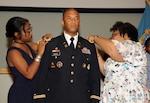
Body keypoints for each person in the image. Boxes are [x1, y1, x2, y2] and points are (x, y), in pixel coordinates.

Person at [33, 8, 100, 103]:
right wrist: (40, 97)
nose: (73, 21)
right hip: (56, 98)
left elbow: (94, 75)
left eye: (76, 18)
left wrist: (95, 97)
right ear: (62, 22)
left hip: (82, 98)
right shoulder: (51, 45)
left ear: (79, 22)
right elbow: (42, 74)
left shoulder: (89, 46)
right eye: (69, 18)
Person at [87, 22, 149, 102]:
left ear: (125, 34)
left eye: (114, 34)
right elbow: (106, 72)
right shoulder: (114, 56)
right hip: (113, 98)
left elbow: (112, 48)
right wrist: (97, 54)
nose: (111, 38)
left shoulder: (134, 47)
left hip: (130, 98)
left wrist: (95, 38)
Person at [5, 16, 51, 103]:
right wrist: (39, 54)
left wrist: (45, 41)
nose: (31, 33)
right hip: (21, 94)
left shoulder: (27, 44)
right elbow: (29, 74)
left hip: (32, 92)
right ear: (17, 34)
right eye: (27, 31)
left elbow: (42, 47)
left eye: (30, 30)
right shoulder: (13, 53)